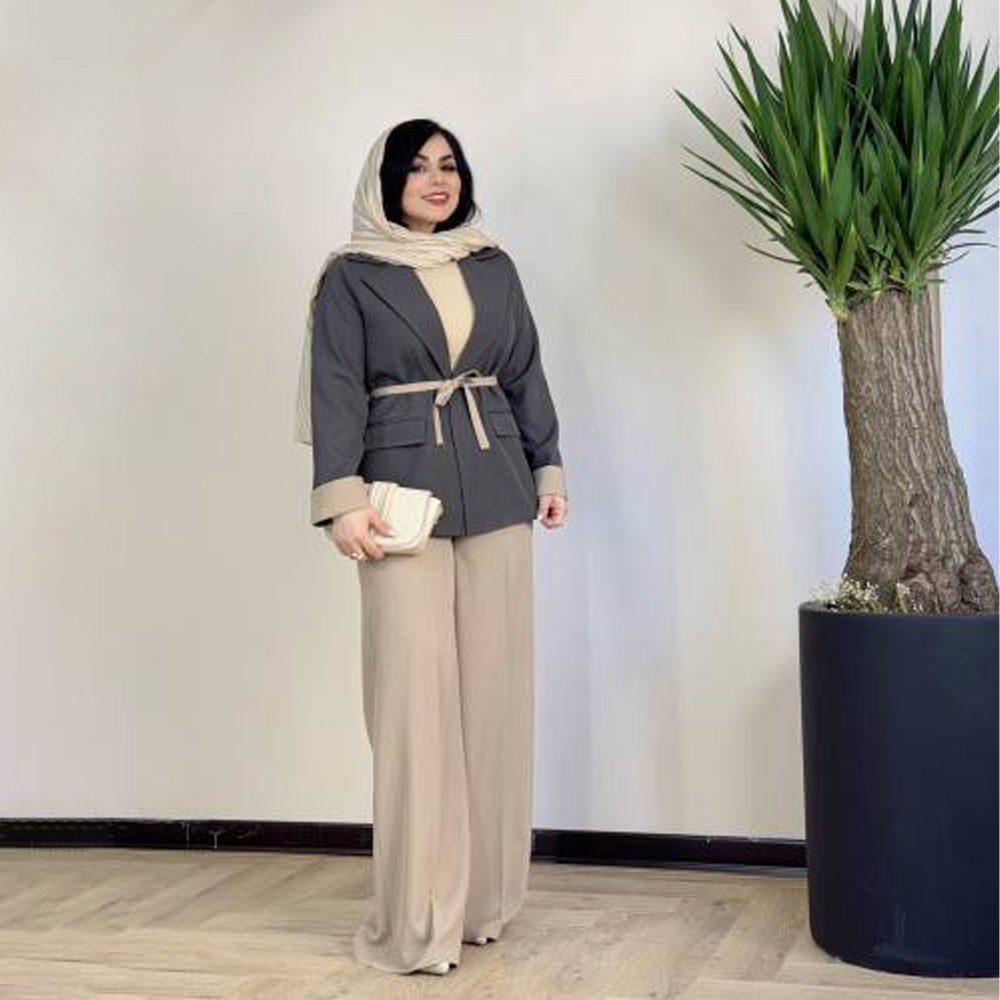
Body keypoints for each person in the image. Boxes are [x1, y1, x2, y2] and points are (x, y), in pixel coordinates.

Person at [294, 118, 568, 975]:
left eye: (448, 165)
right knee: (413, 709)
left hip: (499, 486)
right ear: (386, 183)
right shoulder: (351, 276)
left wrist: (549, 467)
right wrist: (340, 499)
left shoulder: (493, 264)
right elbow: (336, 386)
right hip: (397, 499)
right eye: (416, 168)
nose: (436, 180)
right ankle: (418, 919)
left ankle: (482, 903)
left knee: (494, 699)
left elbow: (524, 370)